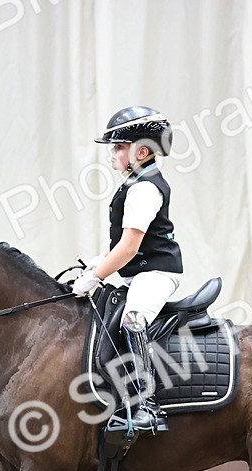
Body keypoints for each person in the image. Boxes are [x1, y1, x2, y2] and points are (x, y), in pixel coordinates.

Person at [72, 105, 183, 432]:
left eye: (119, 147)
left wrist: (96, 276)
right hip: (140, 272)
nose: (111, 153)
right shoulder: (135, 182)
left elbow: (130, 247)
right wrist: (98, 261)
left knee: (133, 321)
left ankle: (145, 405)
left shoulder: (145, 188)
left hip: (158, 274)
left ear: (143, 151)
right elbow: (121, 244)